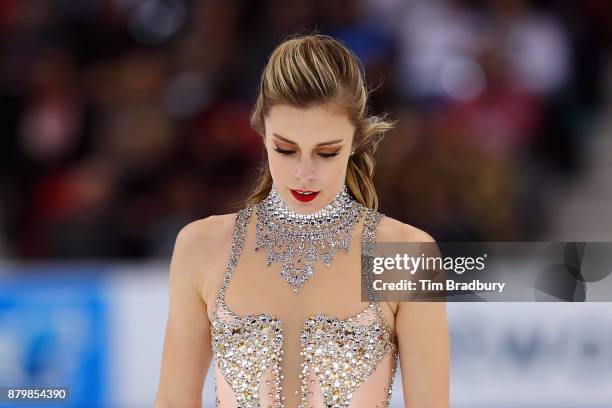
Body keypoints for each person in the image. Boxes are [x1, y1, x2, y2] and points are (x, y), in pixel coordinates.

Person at [154, 34, 449, 408]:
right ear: (262, 134)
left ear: (356, 140)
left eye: (327, 153)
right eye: (286, 149)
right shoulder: (202, 246)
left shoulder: (406, 254)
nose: (304, 173)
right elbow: (172, 401)